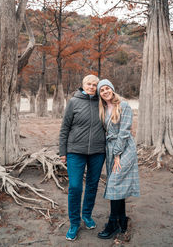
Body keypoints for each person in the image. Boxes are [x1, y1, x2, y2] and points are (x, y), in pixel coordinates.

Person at [59, 75, 106, 241]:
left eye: (95, 84)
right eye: (89, 84)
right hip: (75, 151)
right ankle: (74, 222)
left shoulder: (102, 102)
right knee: (75, 187)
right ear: (83, 84)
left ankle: (86, 215)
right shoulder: (73, 102)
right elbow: (65, 128)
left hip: (98, 152)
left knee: (92, 185)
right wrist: (62, 151)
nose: (92, 87)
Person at [96, 79, 140, 239]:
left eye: (107, 88)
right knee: (117, 185)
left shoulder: (124, 105)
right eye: (102, 90)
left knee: (114, 184)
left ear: (112, 89)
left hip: (124, 149)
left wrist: (117, 155)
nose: (105, 92)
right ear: (99, 94)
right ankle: (122, 219)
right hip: (110, 149)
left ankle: (112, 222)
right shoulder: (102, 108)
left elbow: (124, 132)